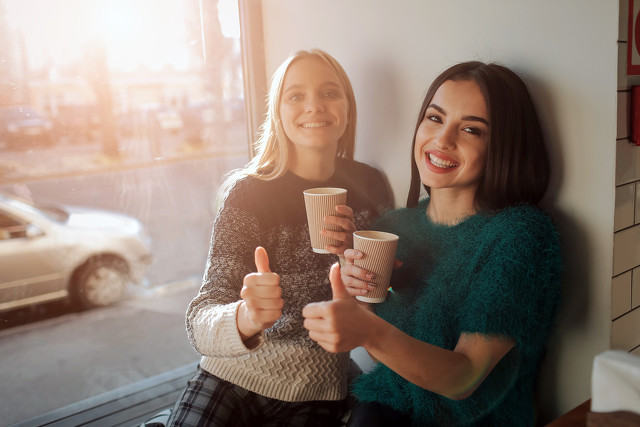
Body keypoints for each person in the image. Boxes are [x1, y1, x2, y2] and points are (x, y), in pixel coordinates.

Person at [302, 61, 563, 426]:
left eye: (471, 129)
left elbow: (464, 377)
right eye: (435, 118)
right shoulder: (393, 228)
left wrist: (368, 331)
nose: (442, 140)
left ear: (503, 147)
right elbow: (392, 358)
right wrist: (357, 297)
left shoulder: (521, 236)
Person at [166, 48, 393, 427]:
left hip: (317, 387)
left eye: (329, 93)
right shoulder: (249, 193)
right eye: (296, 95)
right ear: (278, 111)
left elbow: (380, 305)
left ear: (348, 109)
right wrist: (246, 316)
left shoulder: (369, 185)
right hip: (231, 375)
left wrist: (352, 258)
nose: (314, 106)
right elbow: (200, 320)